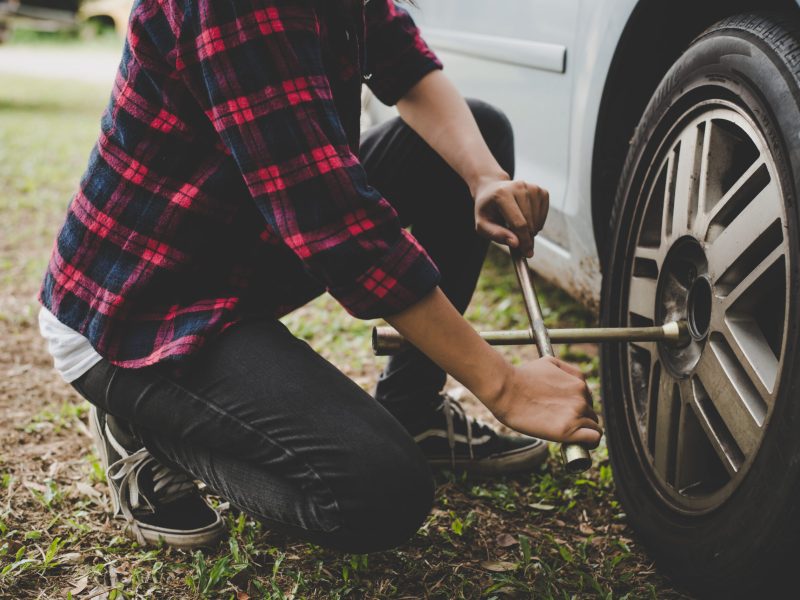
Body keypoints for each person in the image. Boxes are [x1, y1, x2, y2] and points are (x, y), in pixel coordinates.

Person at [38, 0, 602, 553]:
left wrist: (482, 176)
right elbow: (338, 229)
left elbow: (402, 60)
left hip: (240, 246)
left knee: (475, 135)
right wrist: (503, 385)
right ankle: (143, 422)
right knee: (380, 494)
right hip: (139, 308)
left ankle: (413, 413)